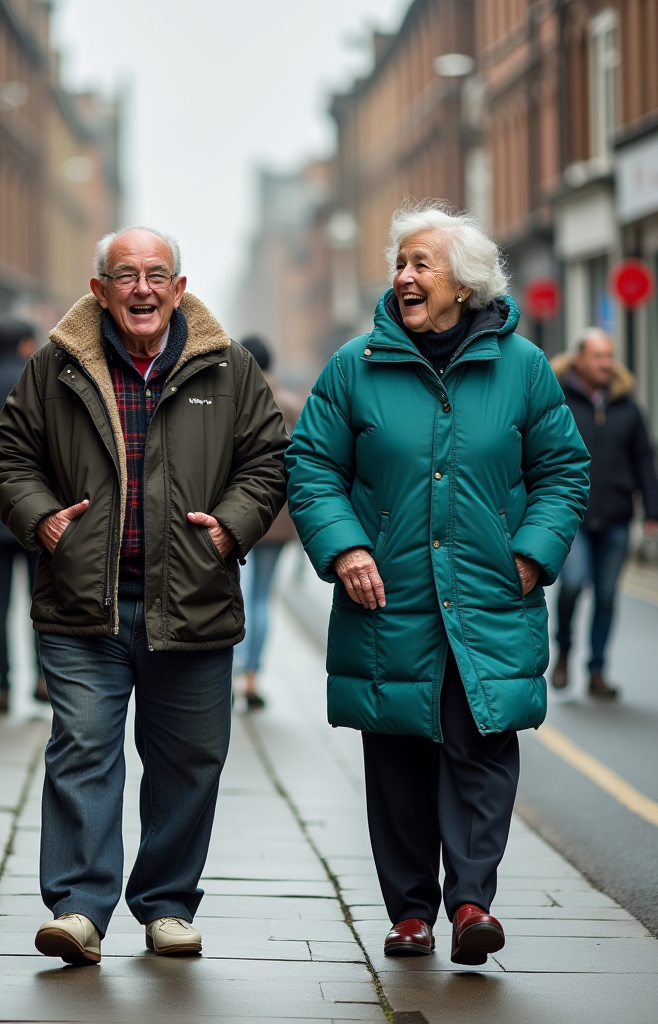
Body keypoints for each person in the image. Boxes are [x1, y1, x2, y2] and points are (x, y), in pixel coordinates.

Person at [286, 199, 589, 967]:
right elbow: (312, 466)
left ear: (466, 283)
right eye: (401, 263)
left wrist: (532, 552)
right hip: (388, 598)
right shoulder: (355, 366)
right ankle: (412, 913)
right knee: (399, 760)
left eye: (422, 263)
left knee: (483, 749)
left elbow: (562, 470)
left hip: (492, 593)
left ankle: (472, 904)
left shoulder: (523, 368)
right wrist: (347, 548)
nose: (405, 276)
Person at [0, 226, 288, 964]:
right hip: (82, 605)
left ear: (180, 288)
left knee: (189, 759)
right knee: (82, 752)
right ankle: (80, 910)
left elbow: (270, 460)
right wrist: (40, 519)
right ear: (100, 290)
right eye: (126, 275)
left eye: (158, 274)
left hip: (191, 599)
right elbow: (7, 457)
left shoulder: (230, 367)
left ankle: (166, 906)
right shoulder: (56, 366)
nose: (143, 289)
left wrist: (231, 528)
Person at [550, 329, 658, 698]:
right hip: (571, 517)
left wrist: (652, 509)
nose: (606, 363)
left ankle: (597, 671)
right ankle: (564, 650)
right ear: (578, 359)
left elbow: (644, 459)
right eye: (598, 356)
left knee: (608, 596)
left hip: (615, 516)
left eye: (609, 356)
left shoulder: (628, 405)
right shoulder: (558, 399)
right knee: (574, 582)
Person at [0, 318, 48, 714]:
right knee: (38, 601)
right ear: (24, 346)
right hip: (33, 514)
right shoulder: (35, 382)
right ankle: (41, 677)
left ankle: (3, 687)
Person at [234, 335, 303, 709]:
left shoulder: (235, 400)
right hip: (278, 519)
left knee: (235, 596)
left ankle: (229, 672)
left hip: (238, 516)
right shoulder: (291, 405)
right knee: (262, 597)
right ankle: (251, 677)